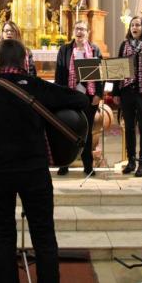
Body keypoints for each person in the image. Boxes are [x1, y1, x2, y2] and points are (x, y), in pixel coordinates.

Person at [0, 39, 90, 283]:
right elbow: (81, 101)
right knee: (44, 235)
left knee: (3, 236)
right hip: (33, 170)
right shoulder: (38, 86)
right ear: (25, 60)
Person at [111, 16, 142, 177]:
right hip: (127, 91)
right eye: (132, 25)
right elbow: (117, 69)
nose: (134, 27)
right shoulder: (124, 45)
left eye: (137, 25)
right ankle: (131, 161)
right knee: (129, 128)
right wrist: (116, 92)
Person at [54, 20, 103, 175]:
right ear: (73, 31)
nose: (79, 32)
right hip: (69, 95)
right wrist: (60, 95)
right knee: (67, 129)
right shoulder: (65, 49)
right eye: (77, 29)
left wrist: (98, 94)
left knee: (86, 131)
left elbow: (101, 74)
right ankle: (64, 164)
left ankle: (88, 165)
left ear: (88, 32)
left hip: (89, 96)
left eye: (82, 29)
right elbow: (59, 73)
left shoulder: (95, 49)